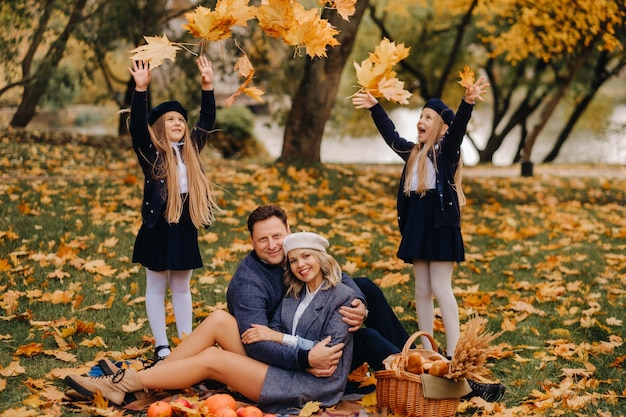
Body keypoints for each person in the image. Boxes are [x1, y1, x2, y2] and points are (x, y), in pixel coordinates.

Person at [65, 232, 357, 414]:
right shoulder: (295, 291)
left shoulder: (344, 297)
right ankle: (150, 380)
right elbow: (280, 330)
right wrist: (280, 339)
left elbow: (326, 354)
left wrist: (280, 340)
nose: (300, 265)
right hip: (289, 365)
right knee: (219, 319)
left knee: (212, 358)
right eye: (293, 260)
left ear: (321, 258)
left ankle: (123, 384)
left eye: (306, 257)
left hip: (314, 384)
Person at [352, 78, 506, 401]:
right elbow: (391, 136)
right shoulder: (412, 153)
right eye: (420, 117)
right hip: (418, 228)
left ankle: (452, 353)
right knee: (421, 290)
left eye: (428, 119)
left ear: (440, 127)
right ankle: (427, 350)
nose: (421, 122)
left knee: (440, 287)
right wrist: (375, 108)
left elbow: (459, 130)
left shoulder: (445, 152)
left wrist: (467, 103)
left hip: (440, 227)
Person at [226, 205, 410, 378]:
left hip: (309, 322)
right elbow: (258, 346)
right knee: (367, 339)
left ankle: (416, 356)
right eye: (263, 239)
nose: (272, 245)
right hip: (287, 352)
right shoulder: (248, 285)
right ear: (252, 241)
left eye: (276, 236)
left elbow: (335, 274)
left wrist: (359, 304)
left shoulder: (292, 251)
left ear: (288, 232)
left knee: (365, 286)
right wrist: (305, 361)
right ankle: (407, 374)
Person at [128, 57, 221, 361]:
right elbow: (138, 128)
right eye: (170, 120)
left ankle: (186, 341)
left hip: (184, 222)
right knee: (156, 285)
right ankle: (161, 345)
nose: (178, 124)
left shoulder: (191, 149)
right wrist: (141, 89)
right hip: (159, 224)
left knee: (181, 286)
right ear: (159, 126)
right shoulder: (151, 153)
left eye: (180, 119)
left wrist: (207, 86)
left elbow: (206, 122)